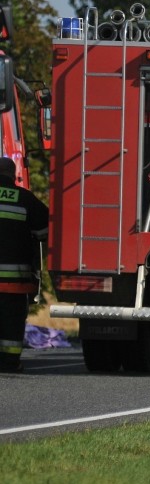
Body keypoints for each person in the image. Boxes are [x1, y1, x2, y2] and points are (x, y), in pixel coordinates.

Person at [0, 157, 49, 372]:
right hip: (14, 281)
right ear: (13, 175)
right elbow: (43, 233)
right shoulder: (25, 199)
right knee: (11, 324)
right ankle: (10, 363)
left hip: (15, 280)